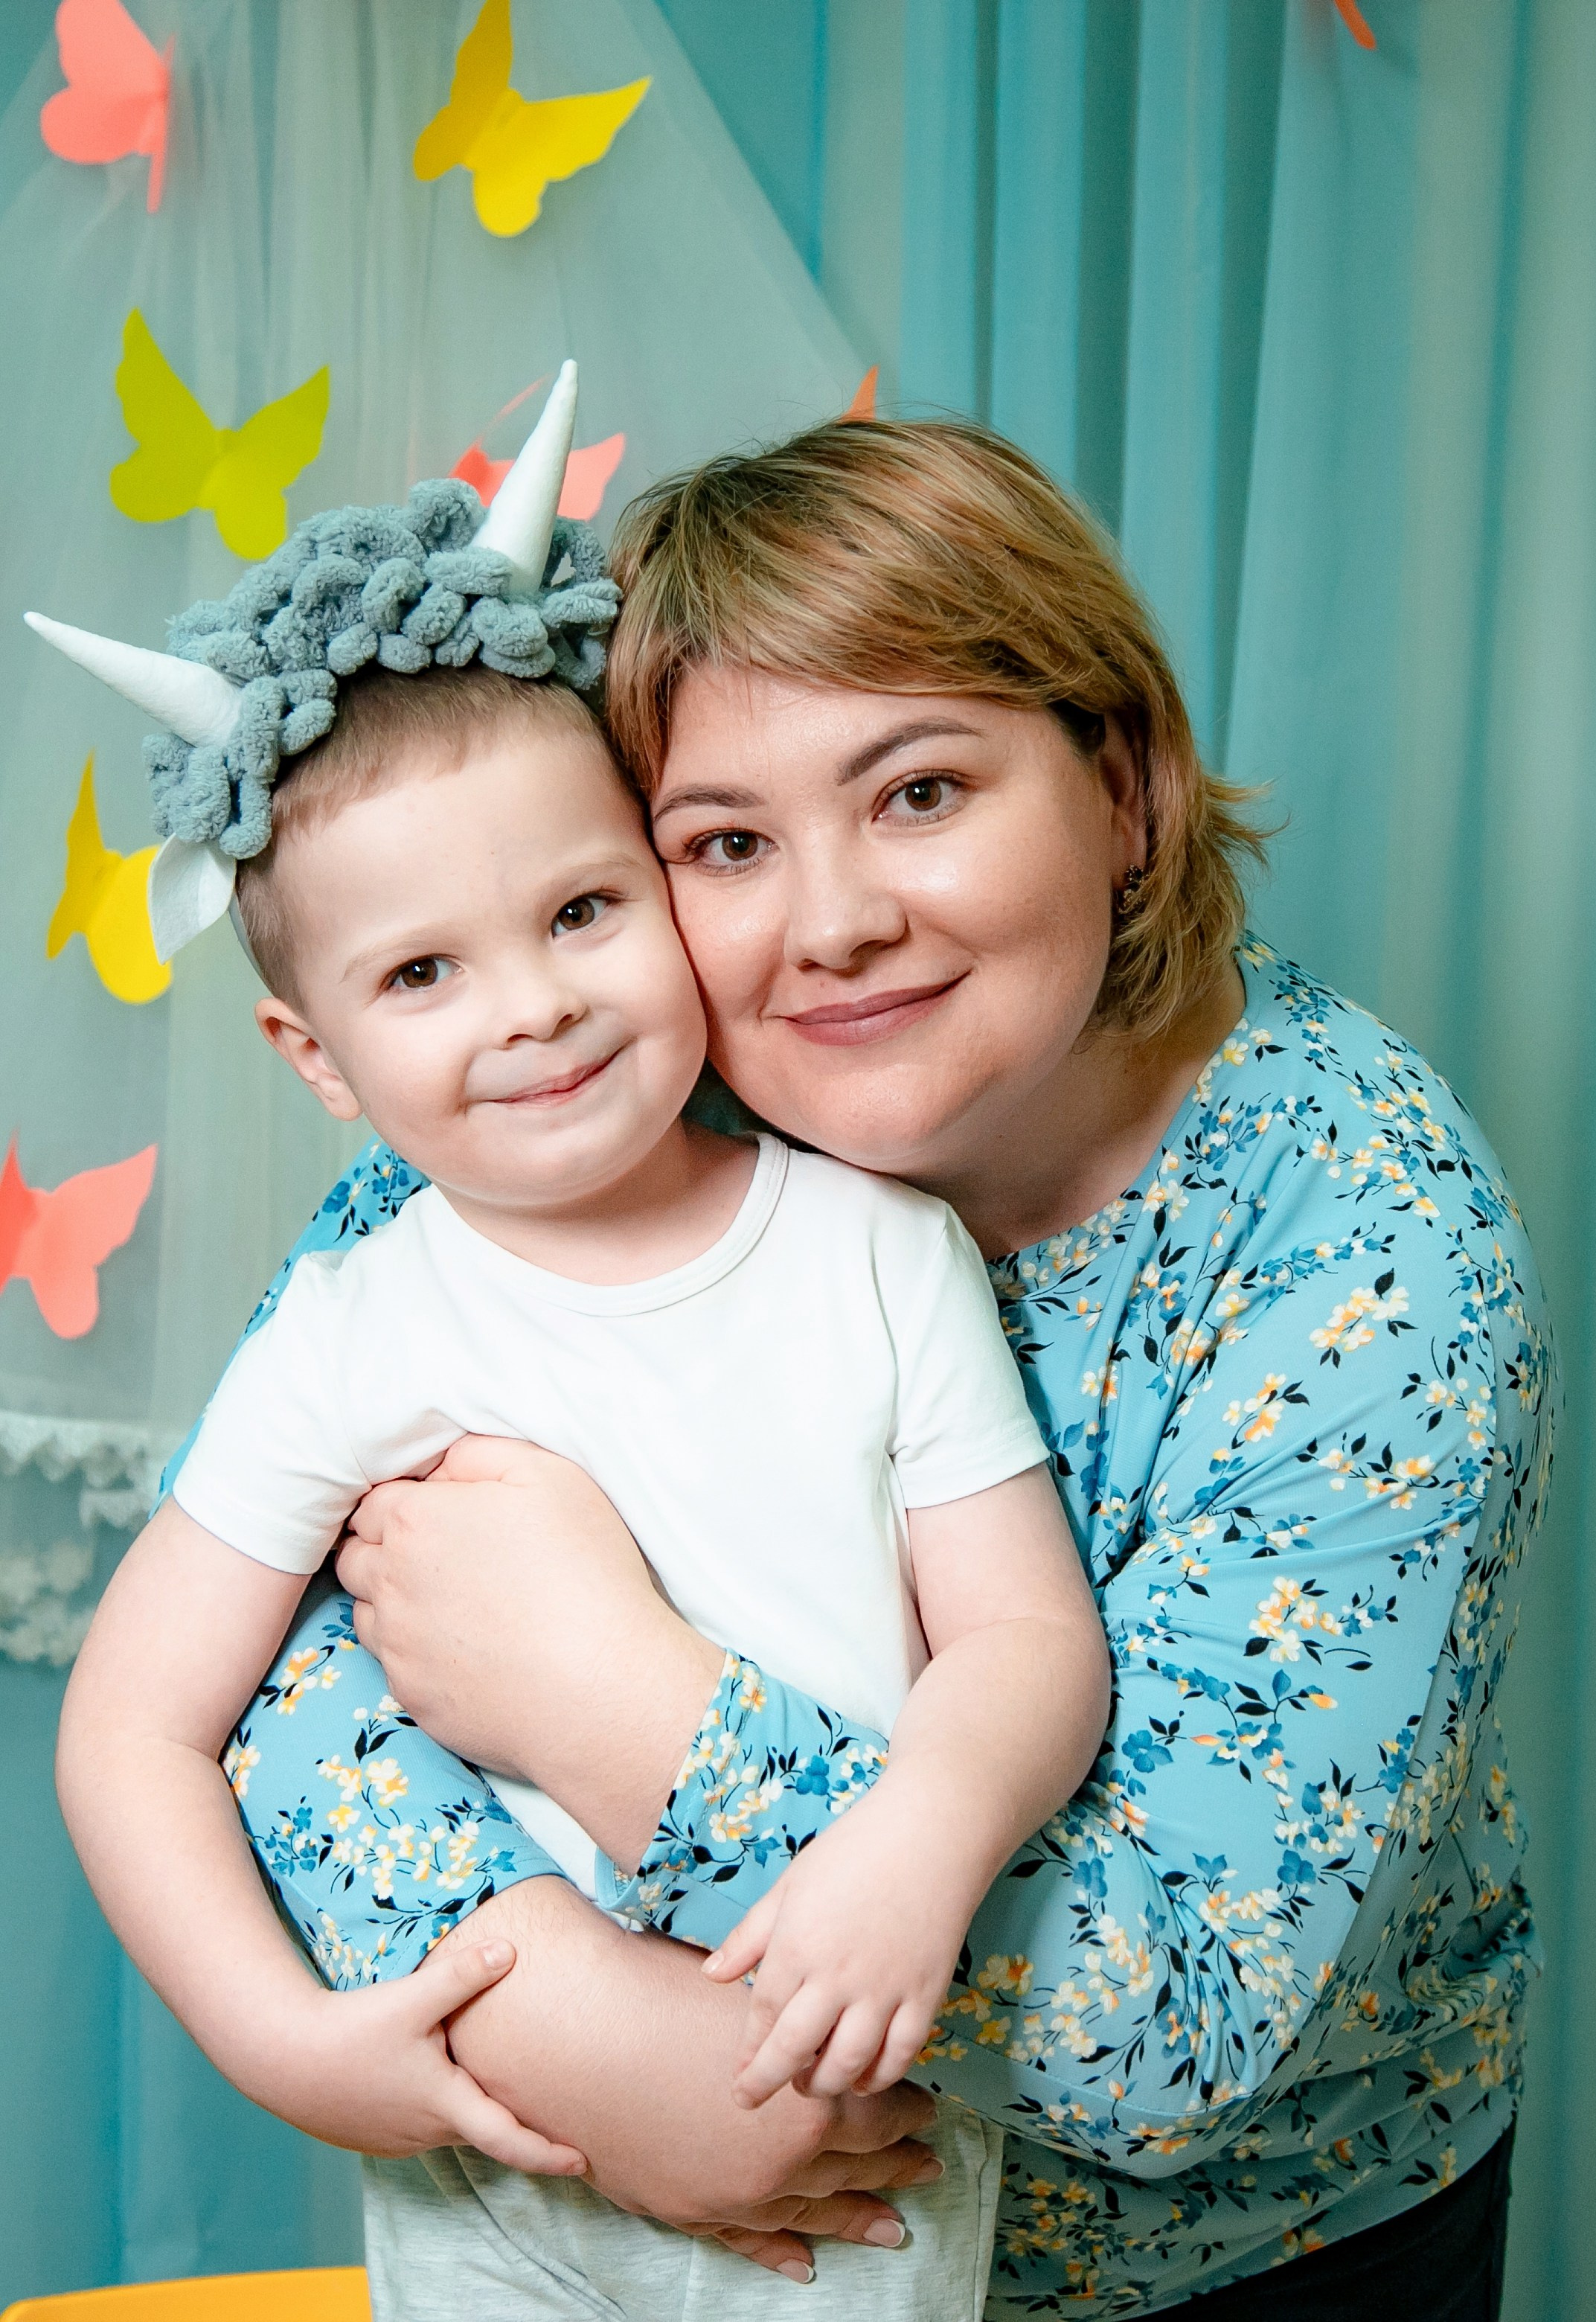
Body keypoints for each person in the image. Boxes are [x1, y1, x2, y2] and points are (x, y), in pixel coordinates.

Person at [77, 410, 1553, 2317]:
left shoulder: (1364, 1250)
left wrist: (623, 1716)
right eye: (720, 844)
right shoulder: (593, 1063)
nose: (834, 920)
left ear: (1119, 787)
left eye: (920, 791)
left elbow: (1169, 2029)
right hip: (599, 2233)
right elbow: (258, 1677)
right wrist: (585, 2024)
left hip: (1222, 2266)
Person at [47, 386, 1110, 2322]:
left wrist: (922, 1841)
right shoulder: (358, 1329)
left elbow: (1027, 1640)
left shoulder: (876, 1253)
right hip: (505, 2192)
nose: (533, 1007)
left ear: (668, 896)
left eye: (585, 910)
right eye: (424, 973)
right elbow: (133, 1724)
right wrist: (281, 2039)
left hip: (845, 2154)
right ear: (322, 1062)